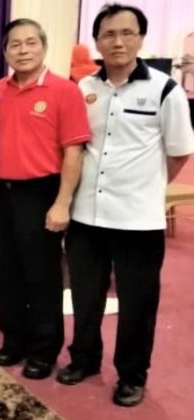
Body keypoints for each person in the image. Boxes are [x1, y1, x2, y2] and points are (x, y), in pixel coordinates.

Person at [57, 4, 194, 407]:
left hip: (138, 220)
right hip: (86, 215)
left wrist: (146, 187)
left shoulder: (165, 90)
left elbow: (178, 152)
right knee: (86, 296)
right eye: (109, 34)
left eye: (127, 33)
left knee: (137, 304)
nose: (118, 41)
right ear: (97, 41)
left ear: (140, 38)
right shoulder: (83, 88)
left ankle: (132, 376)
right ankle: (84, 359)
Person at [0, 19, 91, 380]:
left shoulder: (65, 91)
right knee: (7, 271)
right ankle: (13, 340)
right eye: (15, 44)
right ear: (5, 52)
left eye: (31, 43)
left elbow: (74, 151)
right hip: (2, 192)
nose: (23, 50)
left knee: (43, 276)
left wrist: (62, 202)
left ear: (44, 47)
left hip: (42, 192)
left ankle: (43, 350)